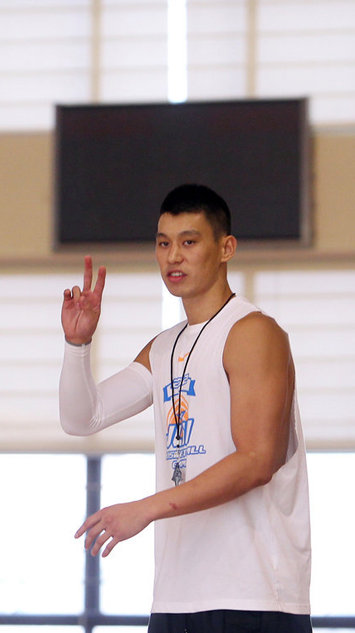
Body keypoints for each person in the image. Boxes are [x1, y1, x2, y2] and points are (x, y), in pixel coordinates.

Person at [59, 184, 311, 632]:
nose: (174, 256)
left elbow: (256, 461)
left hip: (253, 596)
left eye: (189, 242)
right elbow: (83, 418)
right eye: (164, 243)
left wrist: (146, 507)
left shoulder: (252, 332)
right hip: (176, 599)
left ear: (226, 247)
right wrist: (77, 344)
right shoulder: (163, 347)